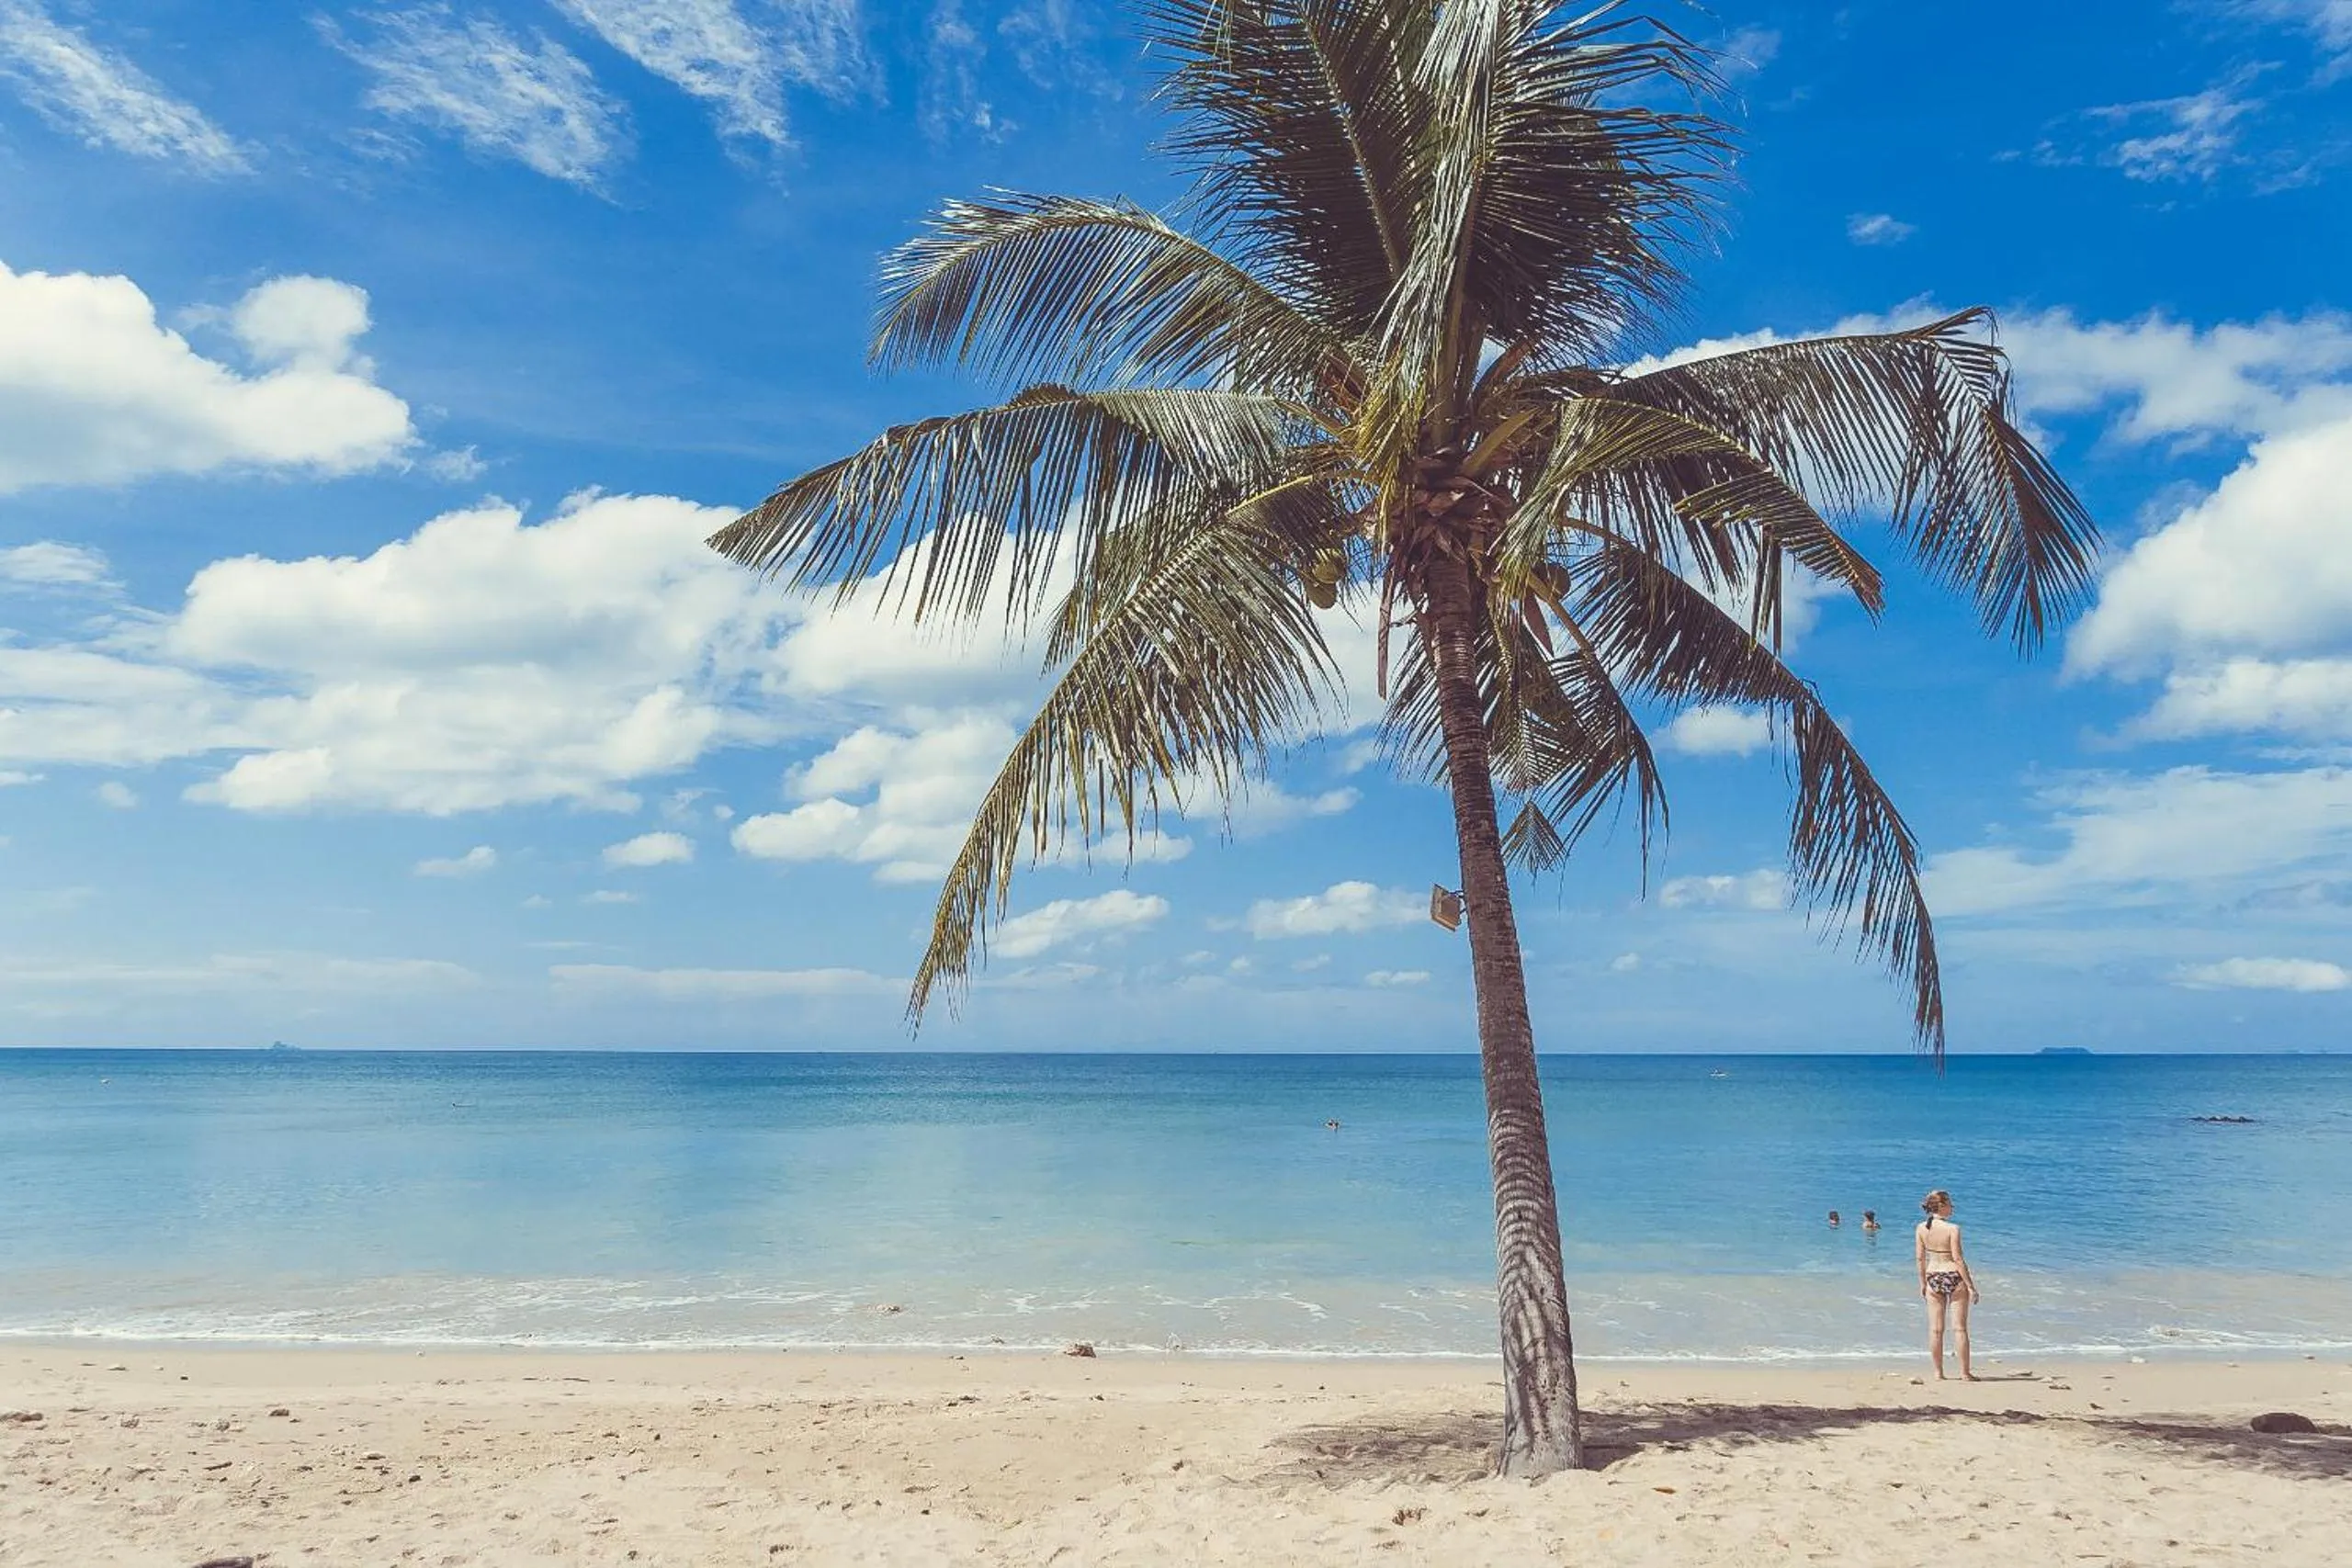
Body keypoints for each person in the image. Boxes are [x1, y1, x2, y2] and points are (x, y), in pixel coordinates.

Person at [1915, 1190, 1980, 1380]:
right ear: (1941, 1206)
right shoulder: (1953, 1229)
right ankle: (1965, 1373)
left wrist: (1922, 1282)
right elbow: (1958, 1259)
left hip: (1933, 1276)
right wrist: (1970, 1286)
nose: (1953, 1207)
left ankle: (1938, 1372)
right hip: (1953, 1275)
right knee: (1959, 1328)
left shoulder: (1921, 1228)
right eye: (1950, 1204)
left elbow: (1920, 1259)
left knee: (1936, 1330)